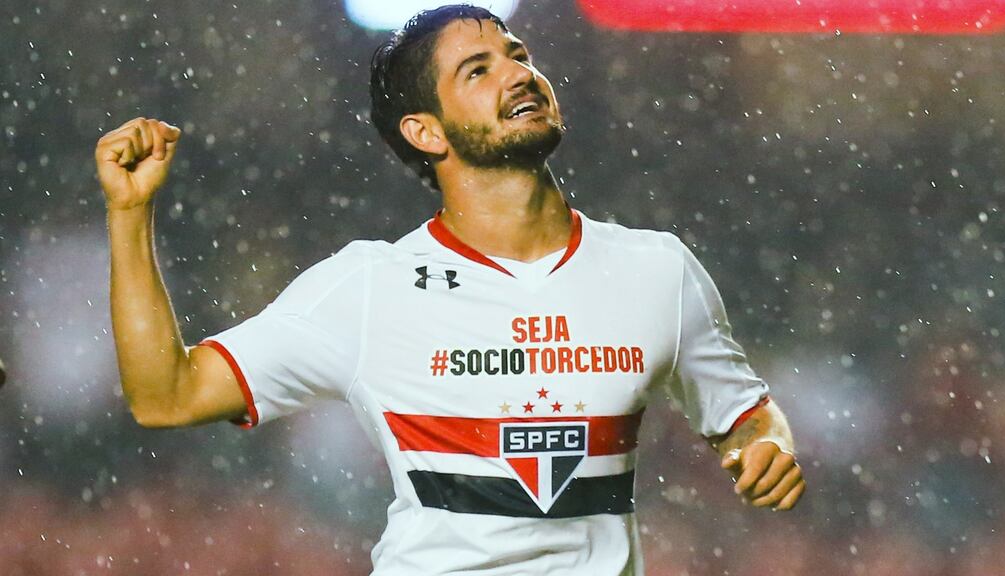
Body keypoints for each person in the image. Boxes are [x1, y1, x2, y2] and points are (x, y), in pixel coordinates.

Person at [95, 5, 804, 574]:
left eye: (518, 54)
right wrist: (130, 216)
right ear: (425, 131)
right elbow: (167, 395)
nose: (519, 74)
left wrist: (764, 445)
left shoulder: (658, 270)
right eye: (478, 69)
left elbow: (743, 416)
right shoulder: (369, 287)